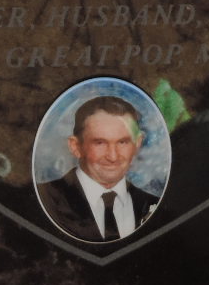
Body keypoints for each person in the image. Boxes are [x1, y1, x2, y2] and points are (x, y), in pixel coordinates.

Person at [36, 95, 159, 243]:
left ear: (137, 144)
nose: (113, 156)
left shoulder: (154, 205)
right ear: (75, 146)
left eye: (122, 142)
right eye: (100, 143)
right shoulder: (43, 201)